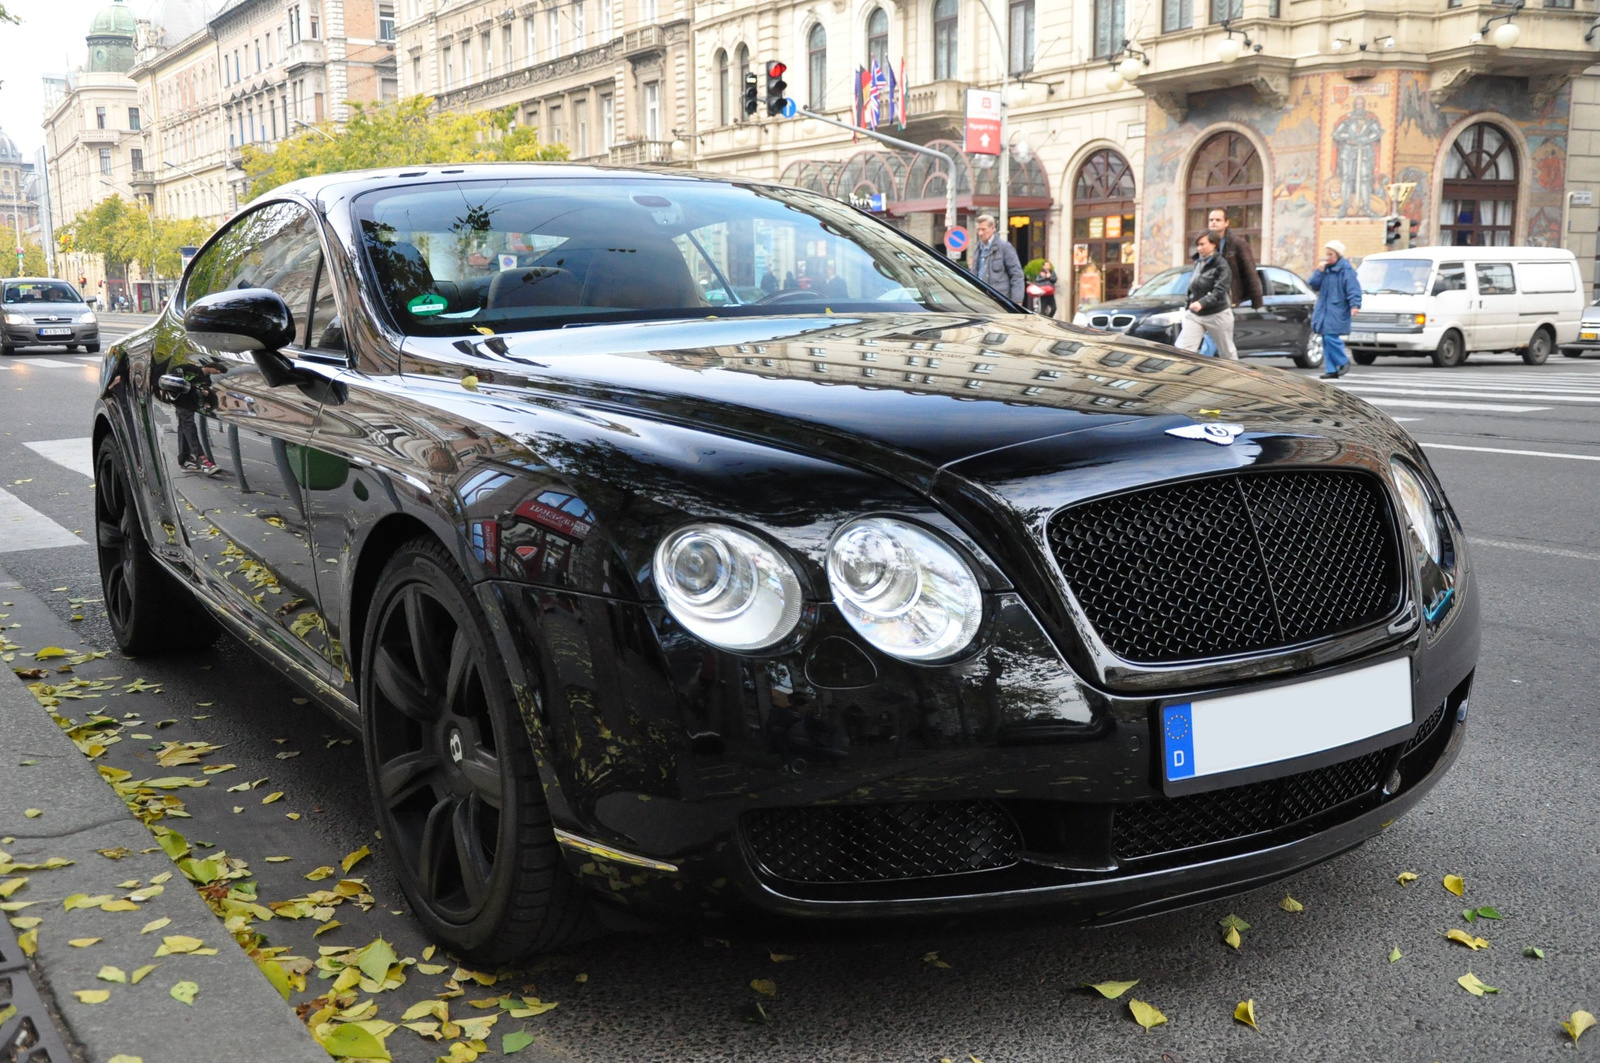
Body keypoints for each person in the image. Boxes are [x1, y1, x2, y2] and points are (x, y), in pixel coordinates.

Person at [1175, 230, 1236, 360]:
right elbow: (1192, 288)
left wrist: (1202, 303)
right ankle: (1180, 377)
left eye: (1203, 244)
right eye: (1198, 245)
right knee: (1183, 349)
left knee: (1227, 353)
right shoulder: (1198, 262)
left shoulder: (1222, 265)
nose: (1199, 248)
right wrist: (1188, 307)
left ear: (1214, 244)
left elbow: (1219, 291)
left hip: (1218, 314)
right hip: (1196, 315)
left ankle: (1236, 377)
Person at [1308, 239, 1363, 378]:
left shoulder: (1346, 270)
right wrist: (1319, 271)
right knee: (1326, 339)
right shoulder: (1325, 270)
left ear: (1337, 255)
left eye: (1330, 254)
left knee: (1330, 337)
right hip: (1324, 309)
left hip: (1337, 309)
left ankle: (1343, 361)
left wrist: (1355, 305)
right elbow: (1313, 285)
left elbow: (1353, 289)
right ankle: (1331, 369)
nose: (1328, 257)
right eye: (1327, 254)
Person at [1206, 207, 1264, 314]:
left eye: (1218, 220)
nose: (1213, 222)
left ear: (1226, 223)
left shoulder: (1237, 243)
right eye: (1211, 220)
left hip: (1230, 298)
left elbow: (1250, 271)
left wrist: (1257, 303)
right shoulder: (1205, 243)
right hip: (1208, 298)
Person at [972, 213, 1024, 304]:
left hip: (1000, 301)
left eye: (983, 229)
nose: (980, 233)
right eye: (978, 230)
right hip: (981, 300)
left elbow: (1016, 274)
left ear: (993, 228)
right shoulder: (978, 249)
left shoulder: (1004, 247)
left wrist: (1017, 301)